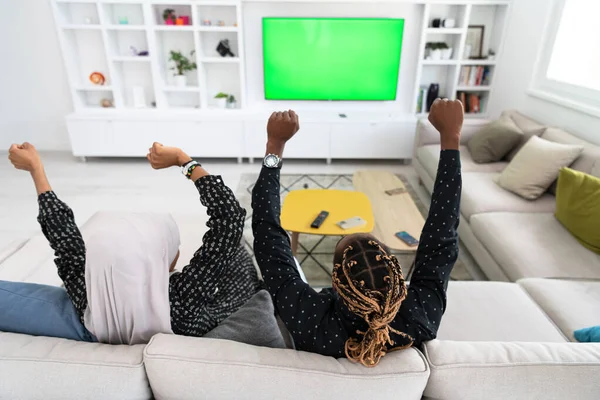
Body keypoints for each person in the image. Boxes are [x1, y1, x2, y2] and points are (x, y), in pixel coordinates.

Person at [252, 100, 463, 367]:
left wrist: (275, 145)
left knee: (287, 264)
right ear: (397, 275)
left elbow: (266, 231)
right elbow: (441, 234)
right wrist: (451, 138)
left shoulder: (309, 317)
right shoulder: (420, 316)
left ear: (337, 281)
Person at [1, 142, 260, 344]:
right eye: (172, 248)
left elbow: (64, 237)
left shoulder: (89, 298)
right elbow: (229, 219)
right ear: (161, 261)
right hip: (227, 299)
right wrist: (184, 160)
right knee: (236, 254)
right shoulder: (182, 301)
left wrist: (36, 169)